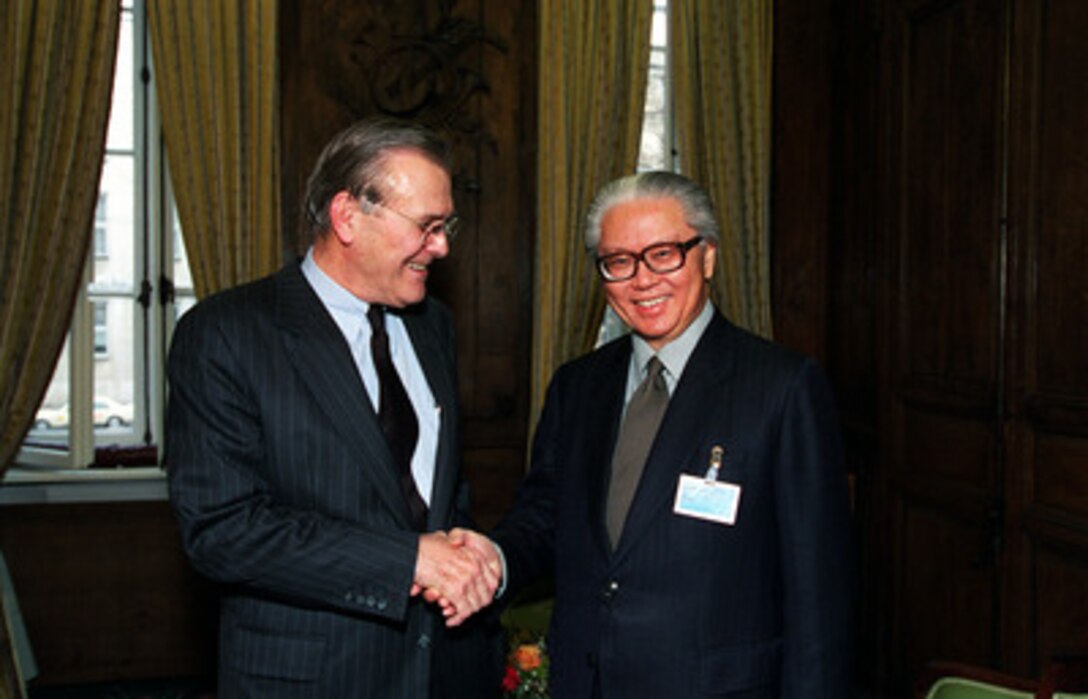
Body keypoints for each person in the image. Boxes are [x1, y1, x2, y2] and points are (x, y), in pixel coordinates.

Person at [456, 171, 856, 698]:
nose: (642, 280)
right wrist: (491, 558)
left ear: (707, 256)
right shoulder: (578, 386)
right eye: (619, 261)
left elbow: (818, 595)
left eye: (664, 253)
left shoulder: (783, 388)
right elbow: (545, 517)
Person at [166, 117, 501, 698]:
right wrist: (407, 562)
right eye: (426, 226)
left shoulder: (433, 327)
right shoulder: (227, 334)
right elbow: (223, 531)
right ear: (348, 216)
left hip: (444, 670)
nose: (442, 247)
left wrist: (470, 557)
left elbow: (431, 488)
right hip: (313, 678)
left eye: (446, 226)